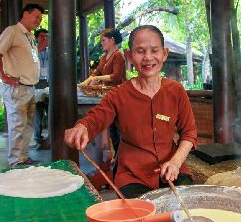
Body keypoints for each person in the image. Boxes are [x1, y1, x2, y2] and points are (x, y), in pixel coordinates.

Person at [65, 25, 198, 198]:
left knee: (189, 207)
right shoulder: (119, 95)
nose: (148, 58)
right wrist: (81, 127)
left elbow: (189, 133)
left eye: (154, 51)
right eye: (140, 51)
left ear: (164, 54)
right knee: (139, 216)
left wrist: (175, 162)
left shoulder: (176, 90)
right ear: (129, 56)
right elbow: (96, 118)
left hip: (172, 169)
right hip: (132, 175)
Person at [0, 4, 44, 168]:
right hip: (17, 87)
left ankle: (23, 156)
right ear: (25, 14)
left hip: (29, 87)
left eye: (40, 18)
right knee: (18, 124)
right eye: (36, 16)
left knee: (27, 124)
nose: (38, 20)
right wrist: (3, 76)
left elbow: (30, 56)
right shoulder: (13, 31)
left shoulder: (28, 36)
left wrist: (42, 45)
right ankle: (15, 159)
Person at [79, 28, 126, 160]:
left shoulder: (118, 56)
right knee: (111, 128)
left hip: (118, 95)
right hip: (108, 96)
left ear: (112, 40)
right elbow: (96, 73)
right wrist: (84, 83)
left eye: (103, 40)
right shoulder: (105, 57)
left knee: (117, 128)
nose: (102, 43)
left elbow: (116, 76)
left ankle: (119, 157)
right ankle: (114, 157)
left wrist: (97, 79)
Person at [33, 28, 49, 150]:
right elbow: (30, 59)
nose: (45, 39)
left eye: (46, 36)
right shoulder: (32, 50)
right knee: (38, 113)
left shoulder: (51, 50)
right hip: (36, 83)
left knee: (51, 112)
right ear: (36, 38)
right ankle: (38, 139)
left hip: (49, 83)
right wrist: (41, 47)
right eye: (42, 36)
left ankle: (50, 138)